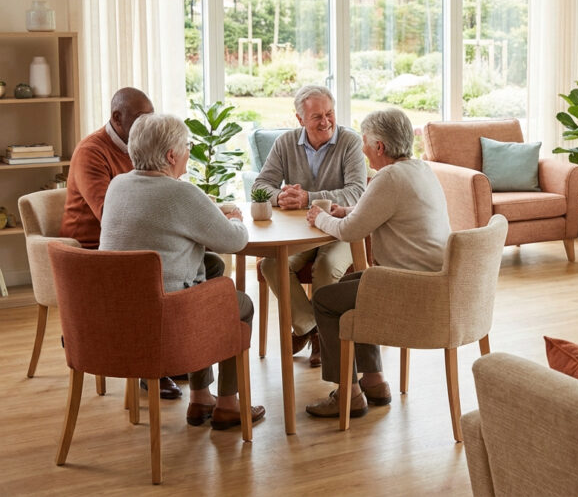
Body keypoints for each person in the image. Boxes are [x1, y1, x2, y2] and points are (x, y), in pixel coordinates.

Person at [99, 114, 266, 430]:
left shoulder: (117, 185)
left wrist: (208, 214)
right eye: (187, 145)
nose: (189, 151)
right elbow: (235, 240)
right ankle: (228, 404)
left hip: (117, 318)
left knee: (210, 267)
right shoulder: (181, 193)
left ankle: (201, 397)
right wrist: (236, 220)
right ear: (171, 156)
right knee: (238, 304)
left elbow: (160, 223)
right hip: (164, 322)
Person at [59, 87, 214, 400]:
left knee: (209, 264)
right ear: (117, 118)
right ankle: (153, 363)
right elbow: (111, 215)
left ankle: (181, 351)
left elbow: (158, 202)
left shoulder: (142, 146)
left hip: (140, 247)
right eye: (142, 118)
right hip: (95, 252)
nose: (148, 124)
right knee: (195, 274)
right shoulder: (93, 151)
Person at [303, 108, 450, 418]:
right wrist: (348, 212)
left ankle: (349, 393)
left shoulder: (389, 177)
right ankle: (374, 380)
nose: (362, 147)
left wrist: (321, 217)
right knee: (347, 286)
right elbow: (374, 214)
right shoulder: (419, 169)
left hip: (408, 285)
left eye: (365, 141)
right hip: (431, 279)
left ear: (380, 147)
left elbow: (348, 231)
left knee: (325, 300)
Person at [253, 85, 366, 368]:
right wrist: (278, 196)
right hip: (300, 233)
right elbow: (259, 186)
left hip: (341, 232)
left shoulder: (350, 142)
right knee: (270, 265)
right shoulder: (285, 143)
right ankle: (312, 328)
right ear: (300, 118)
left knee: (325, 268)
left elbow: (356, 193)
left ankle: (321, 340)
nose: (326, 122)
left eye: (329, 113)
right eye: (317, 116)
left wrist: (308, 198)